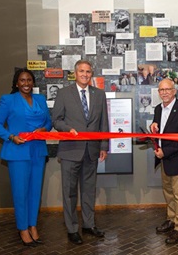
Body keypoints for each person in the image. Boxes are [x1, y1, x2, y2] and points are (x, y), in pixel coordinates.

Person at [0, 68, 52, 247]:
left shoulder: (40, 99)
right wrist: (10, 136)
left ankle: (33, 226)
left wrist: (44, 129)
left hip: (38, 151)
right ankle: (22, 229)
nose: (26, 84)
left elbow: (48, 121)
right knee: (20, 193)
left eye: (29, 80)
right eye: (22, 80)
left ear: (33, 83)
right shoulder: (8, 100)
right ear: (16, 83)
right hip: (18, 152)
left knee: (34, 192)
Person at [52, 60, 109, 245]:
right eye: (82, 71)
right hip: (70, 150)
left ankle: (88, 225)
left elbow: (103, 123)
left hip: (91, 150)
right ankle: (72, 229)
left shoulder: (99, 95)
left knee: (89, 191)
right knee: (69, 192)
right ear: (75, 73)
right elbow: (56, 120)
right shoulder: (63, 93)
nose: (85, 74)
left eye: (88, 71)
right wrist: (67, 129)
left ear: (91, 74)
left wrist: (104, 146)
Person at [150, 79, 178, 244]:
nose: (164, 92)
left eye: (168, 89)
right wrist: (153, 126)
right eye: (161, 90)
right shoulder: (158, 109)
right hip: (164, 161)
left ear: (174, 91)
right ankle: (171, 219)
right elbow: (159, 130)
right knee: (168, 193)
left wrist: (165, 152)